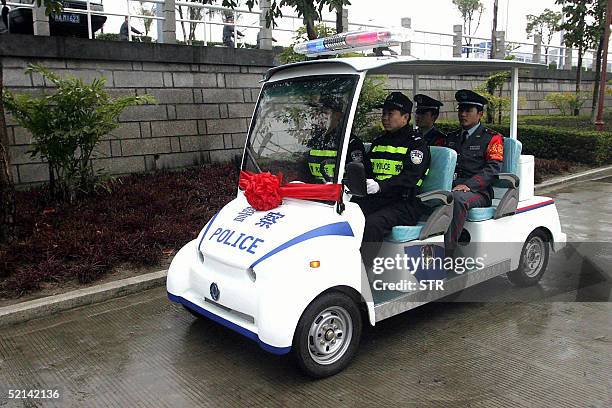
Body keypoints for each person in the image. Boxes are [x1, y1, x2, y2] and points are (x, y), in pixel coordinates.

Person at [354, 92, 430, 268]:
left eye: (390, 114)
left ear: (405, 117)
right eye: (383, 114)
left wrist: (381, 186)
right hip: (379, 199)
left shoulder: (416, 144)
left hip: (405, 202)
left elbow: (411, 177)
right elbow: (368, 169)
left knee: (373, 223)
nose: (385, 118)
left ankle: (363, 273)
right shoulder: (379, 141)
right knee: (348, 213)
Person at [443, 90, 504, 254]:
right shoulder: (452, 137)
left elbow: (493, 168)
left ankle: (448, 251)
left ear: (480, 114)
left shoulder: (492, 138)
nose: (463, 114)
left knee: (456, 199)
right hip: (452, 186)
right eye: (461, 110)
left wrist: (468, 185)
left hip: (478, 191)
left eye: (468, 110)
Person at [306, 96, 372, 182]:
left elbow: (359, 178)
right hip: (314, 193)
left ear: (337, 116)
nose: (319, 117)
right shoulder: (315, 141)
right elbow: (306, 172)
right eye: (317, 113)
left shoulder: (350, 143)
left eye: (324, 113)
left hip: (340, 194)